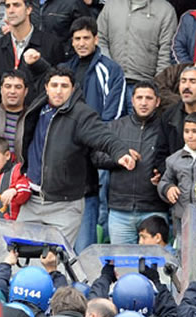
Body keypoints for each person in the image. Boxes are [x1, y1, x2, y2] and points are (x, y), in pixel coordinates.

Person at [17, 66, 137, 245]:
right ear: (46, 88)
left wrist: (120, 152)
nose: (58, 91)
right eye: (54, 85)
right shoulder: (39, 106)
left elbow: (104, 137)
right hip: (32, 200)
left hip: (64, 205)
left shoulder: (82, 114)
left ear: (73, 89)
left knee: (55, 262)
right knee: (19, 258)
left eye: (64, 86)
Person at [62, 15, 126, 252]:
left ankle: (102, 258)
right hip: (72, 149)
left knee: (102, 204)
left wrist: (99, 141)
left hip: (99, 149)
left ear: (96, 38)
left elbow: (115, 111)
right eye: (77, 38)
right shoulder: (65, 69)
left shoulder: (110, 69)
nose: (81, 43)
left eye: (86, 38)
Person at [92, 81, 169, 244]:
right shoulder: (115, 127)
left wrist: (163, 175)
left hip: (154, 210)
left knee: (156, 266)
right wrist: (119, 158)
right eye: (139, 97)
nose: (143, 102)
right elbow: (95, 157)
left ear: (157, 102)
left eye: (149, 98)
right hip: (120, 211)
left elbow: (176, 161)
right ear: (132, 100)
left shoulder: (167, 128)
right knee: (123, 265)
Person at [97, 0, 177, 111]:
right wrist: (111, 70)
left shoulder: (165, 10)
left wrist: (157, 86)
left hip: (145, 87)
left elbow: (166, 51)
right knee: (111, 126)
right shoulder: (111, 5)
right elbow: (100, 39)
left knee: (140, 127)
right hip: (112, 85)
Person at [0, 0, 64, 104]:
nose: (11, 10)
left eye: (16, 5)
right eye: (8, 6)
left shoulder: (51, 44)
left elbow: (59, 83)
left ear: (28, 9)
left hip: (40, 114)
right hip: (6, 117)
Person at [0, 136, 31, 223]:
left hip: (12, 228)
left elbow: (25, 189)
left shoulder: (16, 170)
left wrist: (14, 191)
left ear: (7, 155)